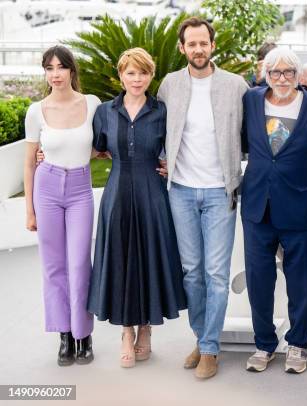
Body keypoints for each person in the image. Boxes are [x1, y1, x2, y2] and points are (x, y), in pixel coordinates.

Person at [156, 16, 249, 379]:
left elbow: (255, 128)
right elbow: (153, 125)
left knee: (215, 272)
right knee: (192, 273)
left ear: (212, 46)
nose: (198, 49)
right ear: (183, 48)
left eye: (203, 43)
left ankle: (210, 348)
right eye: (191, 44)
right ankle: (202, 336)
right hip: (180, 190)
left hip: (219, 192)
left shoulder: (235, 85)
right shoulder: (169, 85)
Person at [86, 48, 186, 368]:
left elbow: (180, 145)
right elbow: (95, 149)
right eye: (131, 72)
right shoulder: (104, 111)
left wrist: (173, 165)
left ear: (151, 76)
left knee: (148, 259)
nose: (137, 79)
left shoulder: (162, 111)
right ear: (121, 76)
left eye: (143, 72)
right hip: (116, 193)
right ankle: (125, 332)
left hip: (151, 194)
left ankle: (146, 329)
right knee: (120, 259)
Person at [240, 48, 307, 374]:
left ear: (298, 76)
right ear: (265, 74)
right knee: (258, 281)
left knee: (300, 281)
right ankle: (264, 343)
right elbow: (236, 140)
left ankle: (298, 344)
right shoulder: (251, 100)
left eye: (289, 73)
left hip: (299, 206)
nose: (282, 79)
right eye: (275, 72)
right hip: (257, 206)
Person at [24, 45, 100, 367]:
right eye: (49, 68)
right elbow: (29, 164)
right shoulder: (36, 111)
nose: (55, 74)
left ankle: (84, 334)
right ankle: (64, 336)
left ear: (72, 70)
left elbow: (100, 147)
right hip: (48, 188)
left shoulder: (93, 105)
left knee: (80, 262)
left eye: (61, 67)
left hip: (81, 188)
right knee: (54, 266)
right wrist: (29, 210)